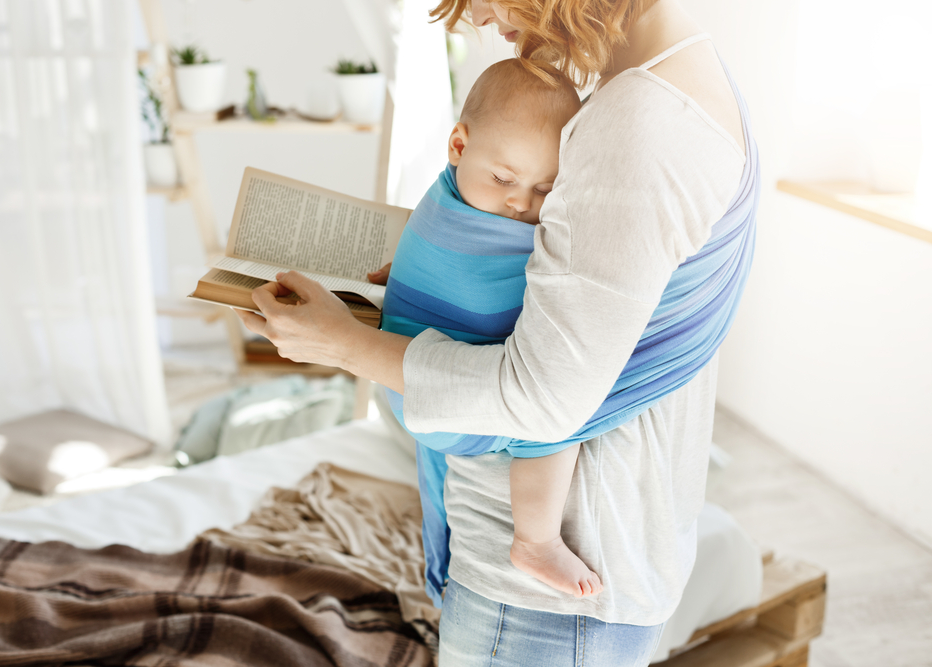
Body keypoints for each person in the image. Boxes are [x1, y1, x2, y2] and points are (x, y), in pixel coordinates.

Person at [235, 0, 759, 663]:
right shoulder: (668, 75)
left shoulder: (638, 123)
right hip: (576, 563)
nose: (477, 16)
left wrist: (342, 343)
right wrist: (442, 270)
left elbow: (543, 399)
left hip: (547, 591)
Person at [379, 57, 601, 599]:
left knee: (438, 490)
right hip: (438, 396)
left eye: (546, 189)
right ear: (457, 145)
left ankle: (438, 568)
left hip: (408, 389)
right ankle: (536, 540)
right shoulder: (507, 233)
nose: (520, 204)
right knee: (558, 414)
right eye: (504, 179)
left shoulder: (445, 193)